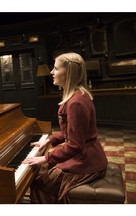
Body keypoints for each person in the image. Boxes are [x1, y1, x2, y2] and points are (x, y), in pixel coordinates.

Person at [22, 52, 108, 204]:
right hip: (84, 155)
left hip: (87, 161)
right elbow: (69, 131)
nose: (51, 72)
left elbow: (75, 145)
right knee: (41, 170)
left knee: (40, 182)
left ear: (68, 73)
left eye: (55, 68)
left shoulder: (76, 103)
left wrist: (46, 157)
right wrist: (49, 140)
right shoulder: (77, 96)